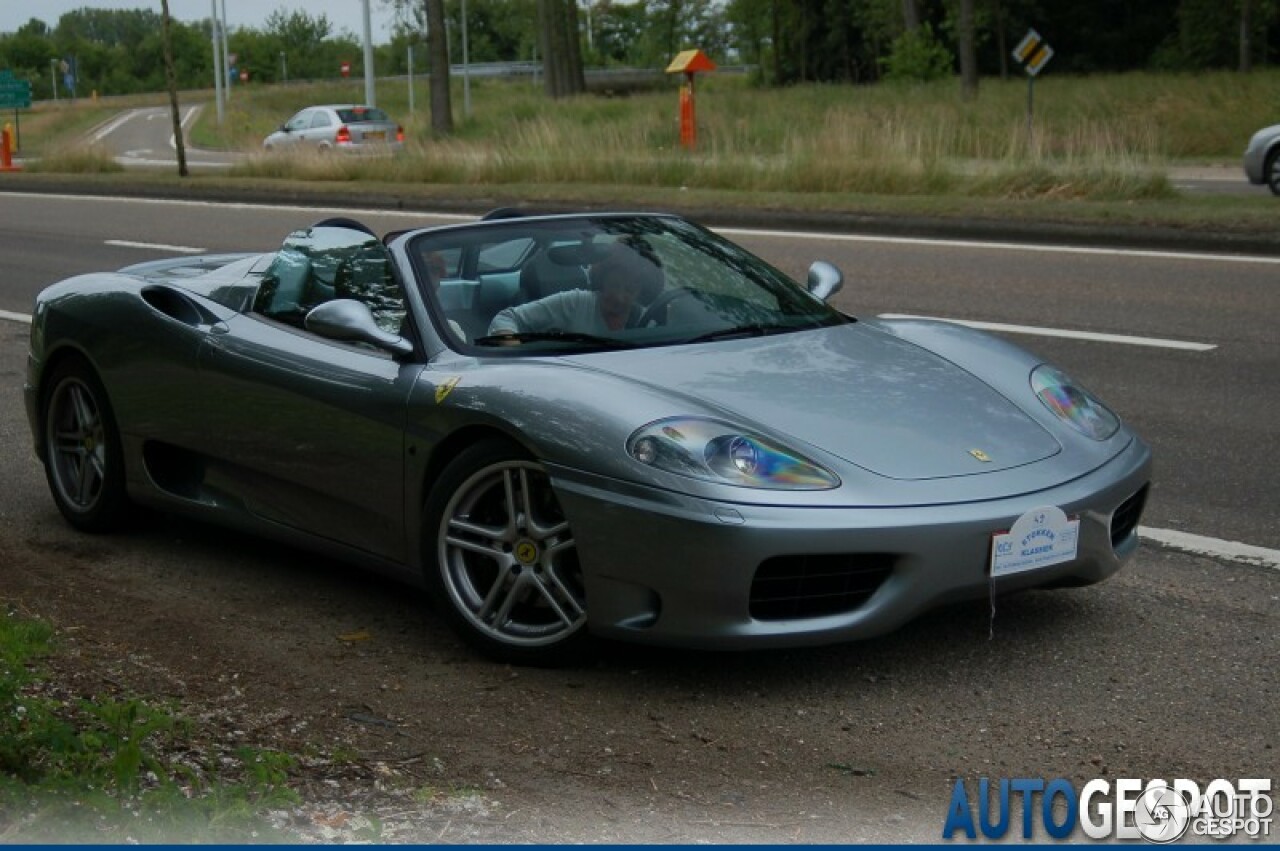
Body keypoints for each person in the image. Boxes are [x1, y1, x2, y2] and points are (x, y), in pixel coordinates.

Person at [487, 242, 661, 338]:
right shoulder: (576, 302)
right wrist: (511, 348)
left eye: (630, 290)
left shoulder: (646, 321)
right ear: (602, 280)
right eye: (614, 285)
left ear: (642, 291)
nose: (619, 296)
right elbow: (506, 318)